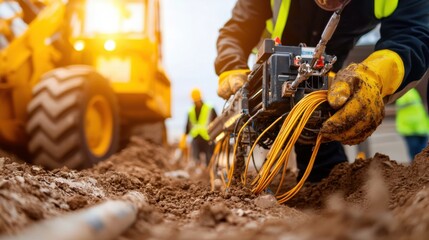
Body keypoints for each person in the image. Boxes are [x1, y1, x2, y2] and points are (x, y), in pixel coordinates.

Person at [215, 0, 429, 182]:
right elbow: (237, 30)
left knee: (325, 169)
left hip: (326, 87)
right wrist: (231, 66)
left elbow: (414, 34)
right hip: (269, 80)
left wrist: (375, 76)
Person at [180, 88, 217, 167]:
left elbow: (216, 122)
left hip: (208, 138)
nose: (196, 102)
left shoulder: (209, 108)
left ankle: (208, 173)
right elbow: (188, 127)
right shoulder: (191, 111)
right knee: (196, 159)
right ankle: (198, 172)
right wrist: (183, 138)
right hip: (196, 139)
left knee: (209, 159)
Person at [395, 88, 429, 161]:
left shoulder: (413, 91)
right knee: (416, 154)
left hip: (421, 128)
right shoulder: (402, 94)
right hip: (410, 130)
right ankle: (416, 170)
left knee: (423, 153)